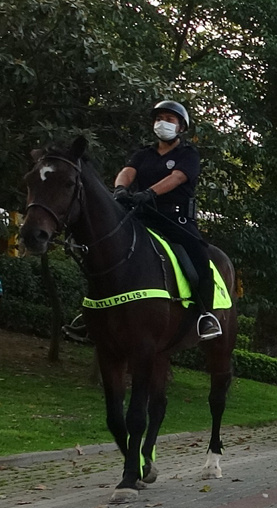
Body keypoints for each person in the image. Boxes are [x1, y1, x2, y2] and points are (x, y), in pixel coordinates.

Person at [65, 100, 221, 342]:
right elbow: (128, 171)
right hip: (141, 216)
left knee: (199, 257)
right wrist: (119, 190)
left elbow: (178, 177)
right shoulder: (143, 153)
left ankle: (206, 315)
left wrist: (150, 192)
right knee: (104, 253)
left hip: (175, 219)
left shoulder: (188, 154)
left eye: (170, 120)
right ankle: (92, 312)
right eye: (160, 119)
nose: (163, 123)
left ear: (181, 127)